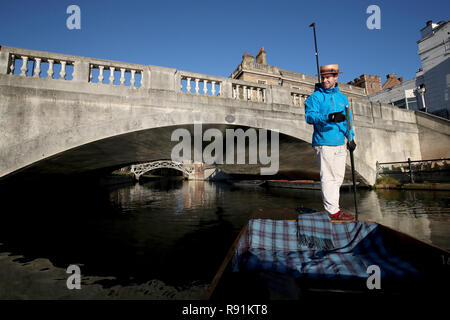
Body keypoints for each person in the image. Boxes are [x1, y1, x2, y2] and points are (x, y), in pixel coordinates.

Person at [304, 64, 356, 221]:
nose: (325, 80)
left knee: (338, 177)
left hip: (340, 142)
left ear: (336, 78)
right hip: (324, 142)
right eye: (323, 77)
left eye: (328, 77)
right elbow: (309, 117)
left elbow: (348, 120)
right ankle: (332, 211)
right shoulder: (315, 97)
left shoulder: (342, 98)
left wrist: (351, 138)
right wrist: (328, 117)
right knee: (328, 177)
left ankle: (335, 208)